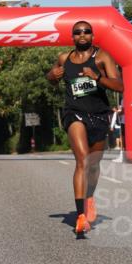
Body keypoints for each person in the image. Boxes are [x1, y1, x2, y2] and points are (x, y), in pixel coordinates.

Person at [45, 20, 123, 235]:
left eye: (86, 31)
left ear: (92, 35)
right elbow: (51, 77)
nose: (82, 35)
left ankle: (89, 197)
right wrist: (52, 76)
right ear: (72, 36)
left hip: (99, 115)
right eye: (78, 32)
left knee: (94, 165)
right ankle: (81, 216)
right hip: (74, 113)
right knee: (83, 160)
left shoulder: (102, 57)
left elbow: (119, 86)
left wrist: (97, 77)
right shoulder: (64, 58)